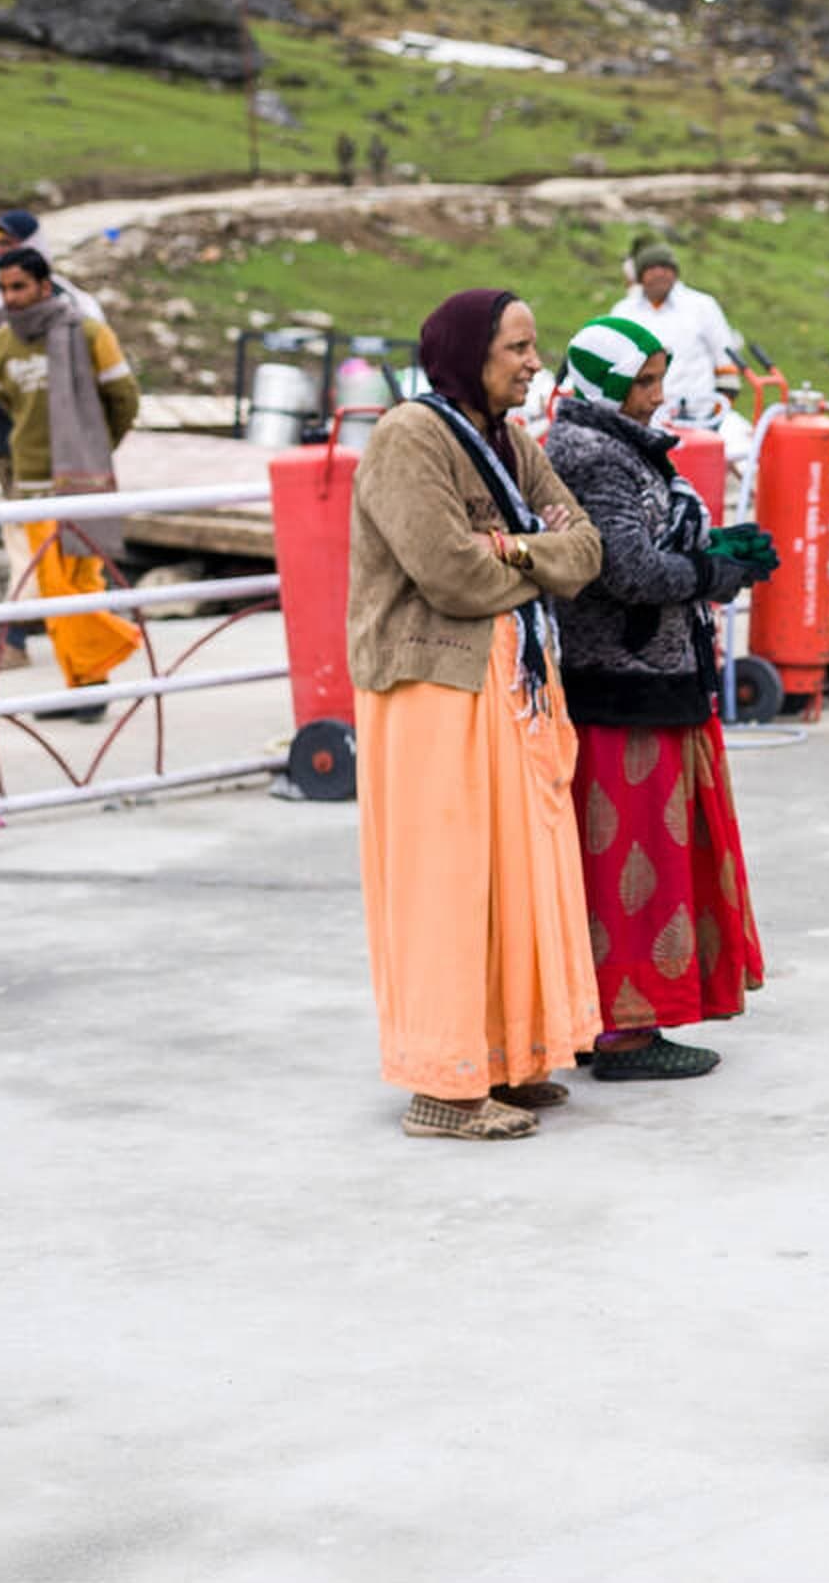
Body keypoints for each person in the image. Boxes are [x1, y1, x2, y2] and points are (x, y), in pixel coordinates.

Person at [349, 288, 603, 1141]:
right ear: (469, 353)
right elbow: (448, 575)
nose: (535, 364)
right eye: (518, 349)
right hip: (435, 693)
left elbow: (589, 550)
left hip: (511, 688)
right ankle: (441, 1086)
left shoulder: (512, 442)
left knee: (516, 878)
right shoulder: (408, 438)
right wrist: (537, 551)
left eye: (534, 348)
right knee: (447, 885)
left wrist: (512, 546)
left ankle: (503, 1059)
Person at [543, 316, 779, 1081]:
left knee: (649, 855)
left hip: (656, 679)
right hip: (622, 689)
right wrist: (715, 572)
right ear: (603, 387)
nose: (655, 395)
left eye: (657, 379)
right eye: (641, 383)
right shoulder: (588, 451)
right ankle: (623, 1032)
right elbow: (630, 571)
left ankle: (624, 1020)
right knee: (626, 861)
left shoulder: (622, 444)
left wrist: (711, 555)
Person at [0, 248, 141, 716]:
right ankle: (85, 681)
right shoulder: (1, 345)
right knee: (56, 591)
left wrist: (96, 449)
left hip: (81, 482)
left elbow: (124, 398)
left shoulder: (90, 334)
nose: (12, 297)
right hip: (31, 486)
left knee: (81, 583)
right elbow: (9, 405)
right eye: (5, 288)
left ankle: (94, 676)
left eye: (19, 286)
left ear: (42, 284)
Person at [609, 241, 743, 439]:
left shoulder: (702, 306)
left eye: (666, 267)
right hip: (643, 422)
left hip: (698, 420)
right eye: (653, 268)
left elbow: (726, 364)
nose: (661, 273)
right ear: (640, 276)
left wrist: (716, 417)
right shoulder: (623, 312)